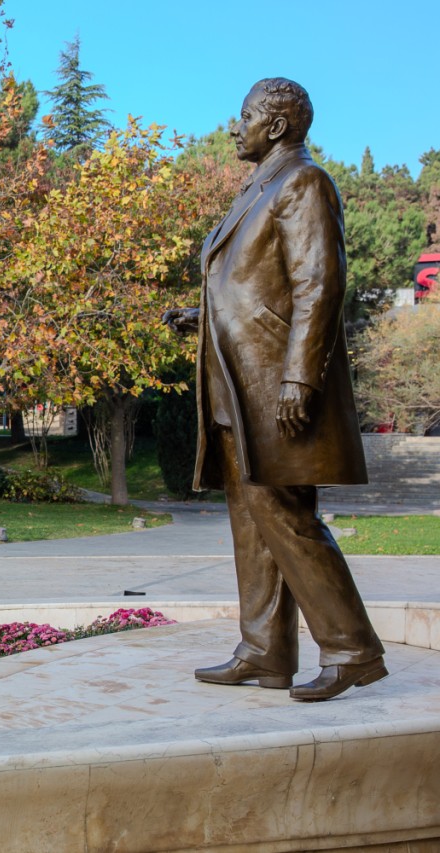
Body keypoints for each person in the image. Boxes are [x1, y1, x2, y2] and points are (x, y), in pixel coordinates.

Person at [163, 78, 386, 702]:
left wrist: (298, 377)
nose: (235, 126)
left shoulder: (302, 183)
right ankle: (264, 651)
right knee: (251, 517)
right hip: (238, 378)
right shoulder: (259, 186)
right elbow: (251, 286)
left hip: (274, 383)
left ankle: (352, 649)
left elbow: (318, 284)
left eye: (245, 116)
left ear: (279, 125)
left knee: (284, 514)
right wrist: (198, 317)